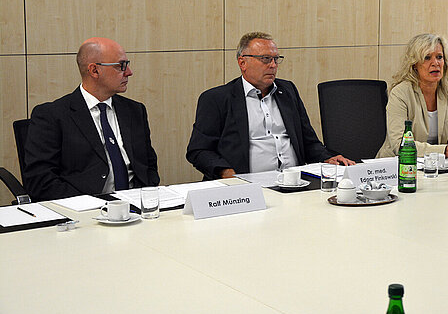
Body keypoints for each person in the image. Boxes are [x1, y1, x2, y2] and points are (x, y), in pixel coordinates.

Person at [186, 32, 354, 180]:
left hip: (293, 183)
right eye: (265, 59)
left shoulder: (288, 91)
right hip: (244, 187)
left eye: (276, 59)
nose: (273, 65)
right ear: (242, 63)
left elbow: (308, 141)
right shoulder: (216, 99)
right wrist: (227, 174)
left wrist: (327, 158)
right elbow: (199, 151)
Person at [23, 37, 159, 201]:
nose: (129, 72)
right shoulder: (52, 115)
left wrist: (144, 200)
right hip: (83, 212)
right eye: (121, 66)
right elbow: (41, 180)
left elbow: (149, 165)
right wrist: (91, 205)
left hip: (136, 207)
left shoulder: (135, 110)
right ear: (94, 70)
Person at [377, 33, 448, 158]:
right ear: (414, 65)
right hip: (397, 165)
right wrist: (444, 150)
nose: (435, 63)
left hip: (437, 166)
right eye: (427, 58)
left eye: (439, 57)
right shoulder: (401, 93)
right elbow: (400, 144)